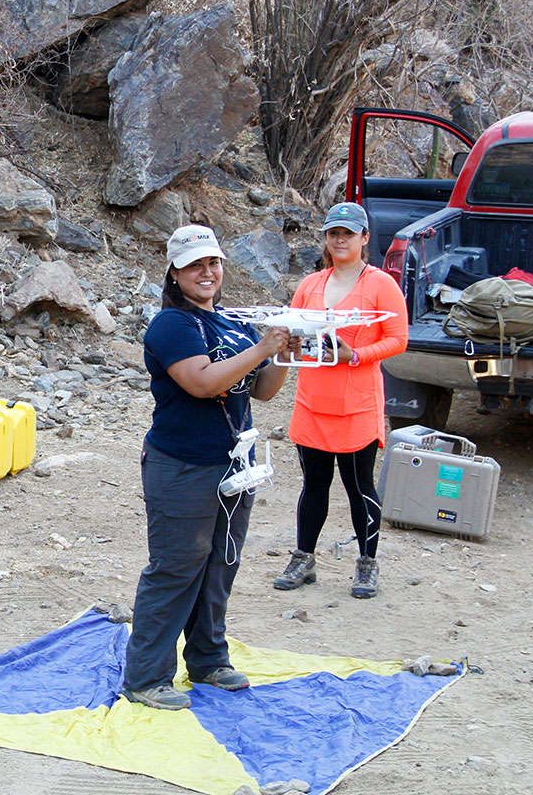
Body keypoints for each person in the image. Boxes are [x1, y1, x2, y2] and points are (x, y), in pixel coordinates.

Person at [122, 224, 292, 711]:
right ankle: (146, 677)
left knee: (220, 563)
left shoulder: (233, 324)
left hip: (234, 464)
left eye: (213, 263)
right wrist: (263, 348)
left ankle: (207, 658)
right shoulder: (170, 325)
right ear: (175, 273)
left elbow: (262, 391)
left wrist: (282, 353)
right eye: (195, 265)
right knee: (176, 568)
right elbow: (200, 383)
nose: (207, 272)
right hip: (182, 466)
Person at [273, 202, 409, 599]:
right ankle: (304, 558)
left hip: (356, 403)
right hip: (313, 400)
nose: (340, 240)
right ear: (326, 239)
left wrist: (357, 355)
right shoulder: (311, 283)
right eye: (334, 233)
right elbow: (293, 331)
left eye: (349, 233)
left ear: (365, 238)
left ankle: (367, 565)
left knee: (358, 485)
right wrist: (289, 345)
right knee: (313, 484)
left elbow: (399, 339)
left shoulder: (381, 284)